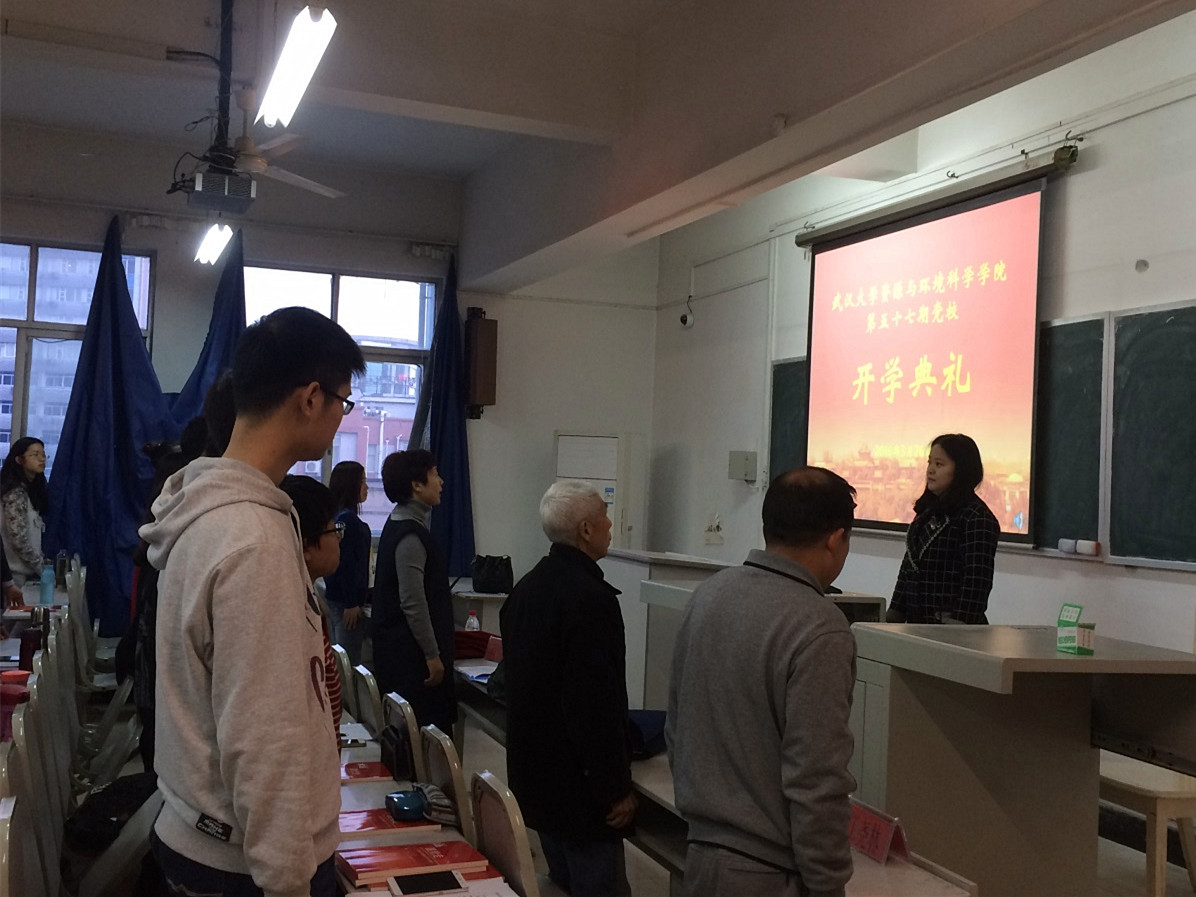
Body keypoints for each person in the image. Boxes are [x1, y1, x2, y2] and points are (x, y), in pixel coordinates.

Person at [140, 306, 364, 897]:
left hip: (209, 837)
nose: (341, 418)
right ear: (310, 398)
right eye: (343, 402)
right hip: (243, 866)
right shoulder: (252, 539)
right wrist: (288, 875)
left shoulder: (212, 513)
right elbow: (264, 733)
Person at [667, 467, 858, 897]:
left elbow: (678, 726)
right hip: (769, 872)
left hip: (699, 854)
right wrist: (828, 883)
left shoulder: (709, 595)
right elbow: (816, 776)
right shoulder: (821, 626)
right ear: (835, 539)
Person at [501, 480, 635, 897]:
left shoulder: (525, 589)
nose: (610, 524)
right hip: (580, 792)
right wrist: (614, 788)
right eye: (604, 516)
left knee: (562, 882)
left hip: (538, 779)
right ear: (586, 530)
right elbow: (592, 705)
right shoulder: (591, 600)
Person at [373, 449, 455, 732]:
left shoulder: (400, 523)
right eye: (434, 474)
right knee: (421, 738)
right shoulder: (410, 534)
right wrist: (432, 654)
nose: (441, 482)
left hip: (403, 654)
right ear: (417, 485)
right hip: (412, 661)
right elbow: (413, 602)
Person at [887, 433, 1000, 625]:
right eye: (929, 463)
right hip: (916, 626)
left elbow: (976, 580)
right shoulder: (927, 513)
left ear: (961, 470)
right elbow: (909, 568)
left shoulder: (976, 517)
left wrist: (959, 624)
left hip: (952, 630)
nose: (930, 470)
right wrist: (893, 613)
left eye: (939, 464)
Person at [280, 474, 346, 738]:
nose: (338, 538)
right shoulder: (289, 613)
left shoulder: (308, 599)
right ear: (305, 544)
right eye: (333, 530)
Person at [324, 460, 371, 665]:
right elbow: (346, 563)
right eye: (362, 482)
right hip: (346, 603)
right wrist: (352, 602)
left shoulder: (336, 517)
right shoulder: (348, 520)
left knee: (338, 659)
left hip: (336, 598)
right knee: (348, 664)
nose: (366, 487)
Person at [1, 437, 48, 586]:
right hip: (12, 577)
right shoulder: (15, 492)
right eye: (35, 454)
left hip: (24, 574)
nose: (42, 459)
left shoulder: (30, 490)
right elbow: (18, 540)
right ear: (19, 460)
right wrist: (43, 569)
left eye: (43, 454)